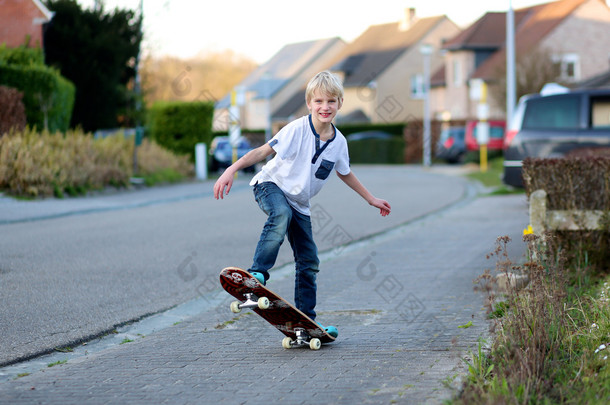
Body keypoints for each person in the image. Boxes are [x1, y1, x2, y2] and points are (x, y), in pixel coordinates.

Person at [213, 71, 391, 337]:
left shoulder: (339, 142)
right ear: (309, 104)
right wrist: (232, 169)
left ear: (340, 104)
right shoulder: (296, 129)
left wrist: (371, 198)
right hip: (270, 185)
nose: (325, 107)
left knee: (309, 260)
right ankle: (256, 274)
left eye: (331, 101)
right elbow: (262, 152)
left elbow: (345, 173)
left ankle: (306, 322)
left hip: (300, 204)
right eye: (319, 101)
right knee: (280, 214)